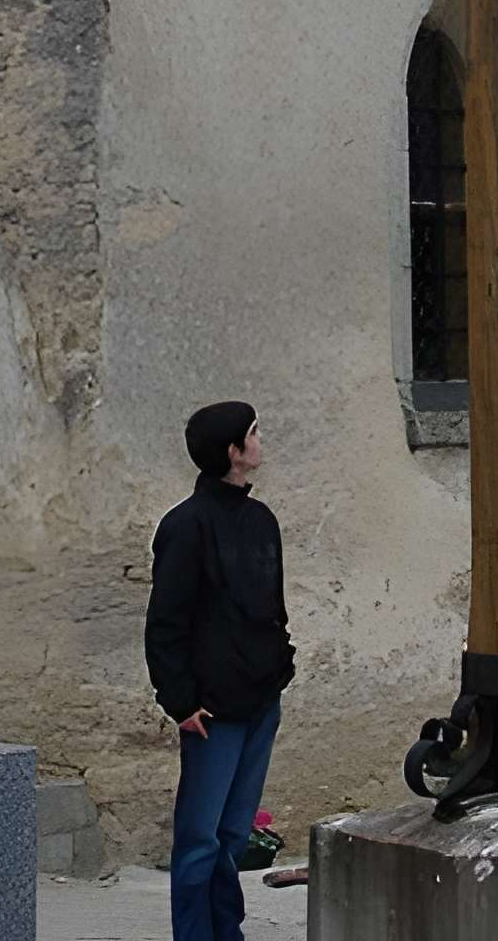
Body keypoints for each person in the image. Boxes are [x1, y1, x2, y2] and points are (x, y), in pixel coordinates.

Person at [146, 401, 295, 941]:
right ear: (233, 451)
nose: (260, 439)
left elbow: (269, 607)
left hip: (260, 703)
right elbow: (165, 622)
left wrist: (281, 663)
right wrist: (180, 703)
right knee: (199, 840)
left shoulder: (261, 520)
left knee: (233, 837)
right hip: (211, 712)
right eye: (253, 432)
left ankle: (224, 932)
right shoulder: (185, 527)